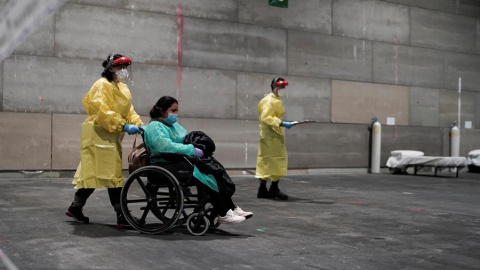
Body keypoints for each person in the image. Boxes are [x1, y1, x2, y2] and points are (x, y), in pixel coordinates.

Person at [142, 96, 253, 224]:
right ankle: (223, 211)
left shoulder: (174, 126)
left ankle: (230, 207)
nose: (176, 114)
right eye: (173, 110)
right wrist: (190, 149)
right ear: (162, 111)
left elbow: (185, 139)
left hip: (179, 160)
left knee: (215, 170)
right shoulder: (154, 126)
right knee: (206, 175)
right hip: (165, 163)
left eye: (177, 111)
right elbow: (165, 146)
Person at [65, 54, 144, 228]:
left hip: (110, 135)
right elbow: (101, 110)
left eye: (125, 67)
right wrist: (123, 125)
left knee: (98, 174)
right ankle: (122, 215)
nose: (123, 71)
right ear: (110, 68)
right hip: (98, 135)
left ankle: (75, 207)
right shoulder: (101, 85)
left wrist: (138, 123)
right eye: (120, 67)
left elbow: (128, 109)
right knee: (112, 175)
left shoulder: (122, 88)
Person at [255, 77, 296, 200]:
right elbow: (265, 117)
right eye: (282, 87)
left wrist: (280, 124)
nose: (283, 89)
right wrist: (281, 123)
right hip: (270, 135)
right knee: (268, 161)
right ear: (275, 87)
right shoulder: (269, 100)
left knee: (272, 160)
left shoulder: (275, 100)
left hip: (272, 134)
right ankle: (269, 189)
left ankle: (269, 189)